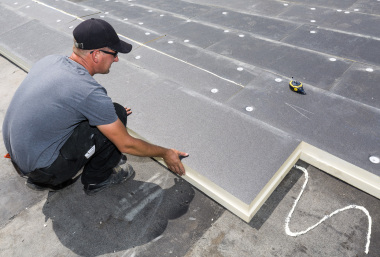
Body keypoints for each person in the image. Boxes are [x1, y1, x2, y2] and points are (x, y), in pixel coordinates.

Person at [2, 18, 188, 195]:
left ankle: (45, 172)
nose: (116, 59)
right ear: (96, 54)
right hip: (42, 170)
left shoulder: (50, 61)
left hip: (18, 155)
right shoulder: (87, 91)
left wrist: (102, 112)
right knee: (117, 115)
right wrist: (166, 153)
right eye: (114, 53)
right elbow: (127, 145)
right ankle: (96, 180)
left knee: (111, 114)